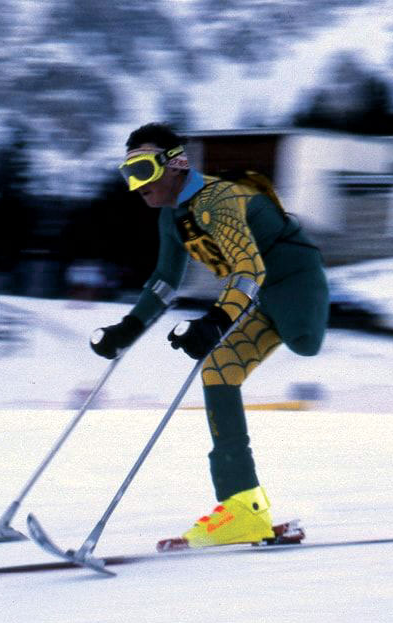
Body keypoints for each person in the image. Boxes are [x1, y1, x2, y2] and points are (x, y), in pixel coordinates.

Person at [90, 122, 329, 548]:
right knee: (218, 370)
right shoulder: (173, 216)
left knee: (304, 340)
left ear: (176, 164)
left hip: (293, 279)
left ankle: (244, 507)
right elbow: (165, 280)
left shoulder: (216, 200)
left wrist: (217, 319)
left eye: (143, 169)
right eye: (128, 174)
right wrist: (127, 328)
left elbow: (249, 267)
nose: (136, 185)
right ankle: (243, 506)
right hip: (257, 295)